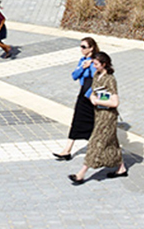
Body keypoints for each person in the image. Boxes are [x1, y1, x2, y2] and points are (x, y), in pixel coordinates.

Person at [70, 51, 127, 183]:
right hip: (98, 114)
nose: (94, 66)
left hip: (108, 117)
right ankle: (121, 168)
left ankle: (81, 173)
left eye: (96, 64)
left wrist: (98, 101)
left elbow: (115, 102)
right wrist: (92, 98)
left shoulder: (110, 79)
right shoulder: (97, 75)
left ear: (104, 64)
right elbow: (93, 92)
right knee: (112, 143)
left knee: (96, 143)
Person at [53, 37, 99, 160]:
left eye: (84, 47)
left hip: (90, 96)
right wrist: (82, 67)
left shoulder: (95, 62)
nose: (81, 49)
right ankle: (67, 150)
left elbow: (97, 80)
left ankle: (100, 149)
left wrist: (90, 96)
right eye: (80, 46)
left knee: (93, 123)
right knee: (76, 121)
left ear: (91, 48)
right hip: (83, 94)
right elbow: (74, 76)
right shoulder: (82, 61)